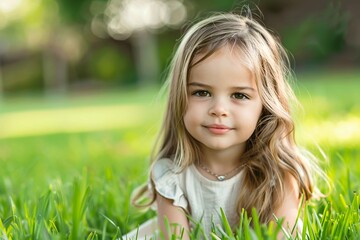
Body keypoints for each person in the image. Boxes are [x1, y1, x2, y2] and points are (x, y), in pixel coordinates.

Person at [123, 11, 326, 240]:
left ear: (266, 105)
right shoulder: (171, 177)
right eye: (201, 92)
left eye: (239, 95)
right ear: (179, 98)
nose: (219, 109)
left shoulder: (279, 175)